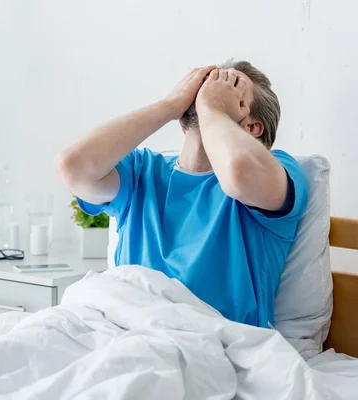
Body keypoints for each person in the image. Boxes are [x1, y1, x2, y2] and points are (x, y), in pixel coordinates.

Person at [55, 60, 308, 328]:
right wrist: (168, 106)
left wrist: (213, 109)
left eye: (230, 87)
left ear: (252, 128)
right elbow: (72, 166)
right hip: (125, 328)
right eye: (205, 84)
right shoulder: (142, 171)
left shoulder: (279, 169)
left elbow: (238, 174)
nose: (208, 91)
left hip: (211, 340)